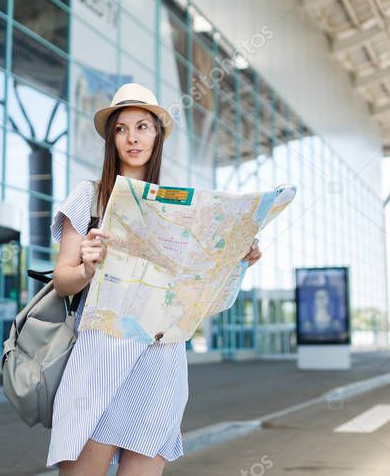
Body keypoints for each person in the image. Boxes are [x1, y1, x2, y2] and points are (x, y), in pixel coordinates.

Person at [46, 83, 262, 475]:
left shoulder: (182, 208)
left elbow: (199, 296)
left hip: (160, 358)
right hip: (101, 355)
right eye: (121, 128)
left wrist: (236, 260)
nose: (132, 137)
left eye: (143, 126)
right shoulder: (89, 197)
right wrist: (86, 269)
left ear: (157, 135)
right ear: (111, 138)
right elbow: (63, 280)